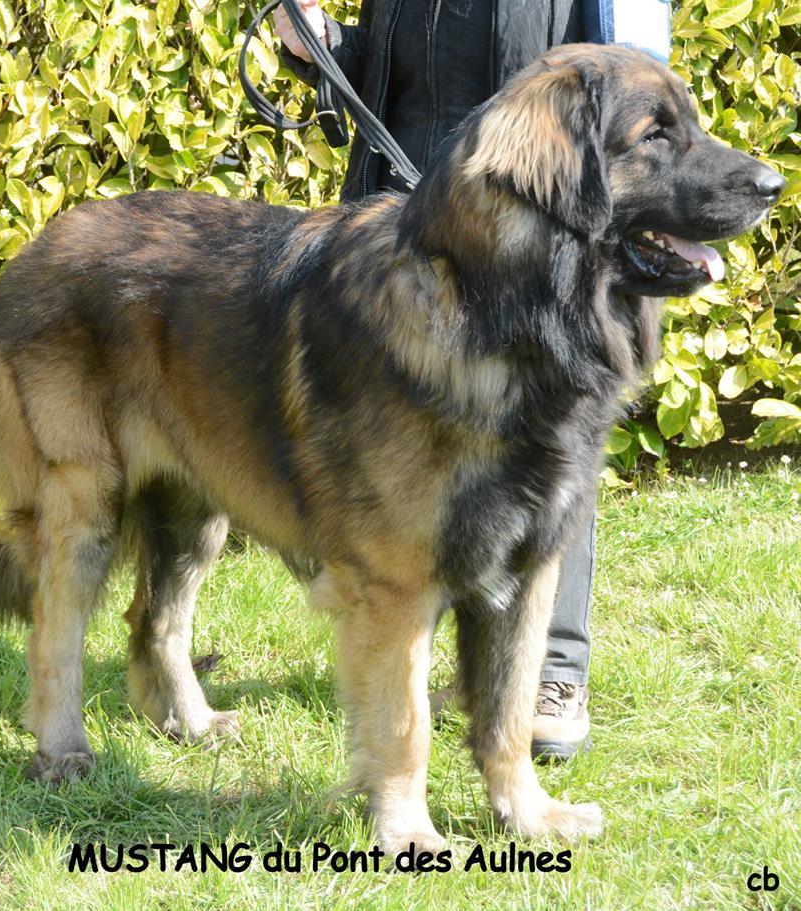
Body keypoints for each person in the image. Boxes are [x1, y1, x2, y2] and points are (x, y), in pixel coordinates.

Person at [273, 0, 672, 761]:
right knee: (408, 491)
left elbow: (632, 60)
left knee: (549, 451)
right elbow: (400, 67)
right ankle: (410, 670)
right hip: (408, 205)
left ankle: (548, 670)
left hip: (540, 227)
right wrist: (327, 45)